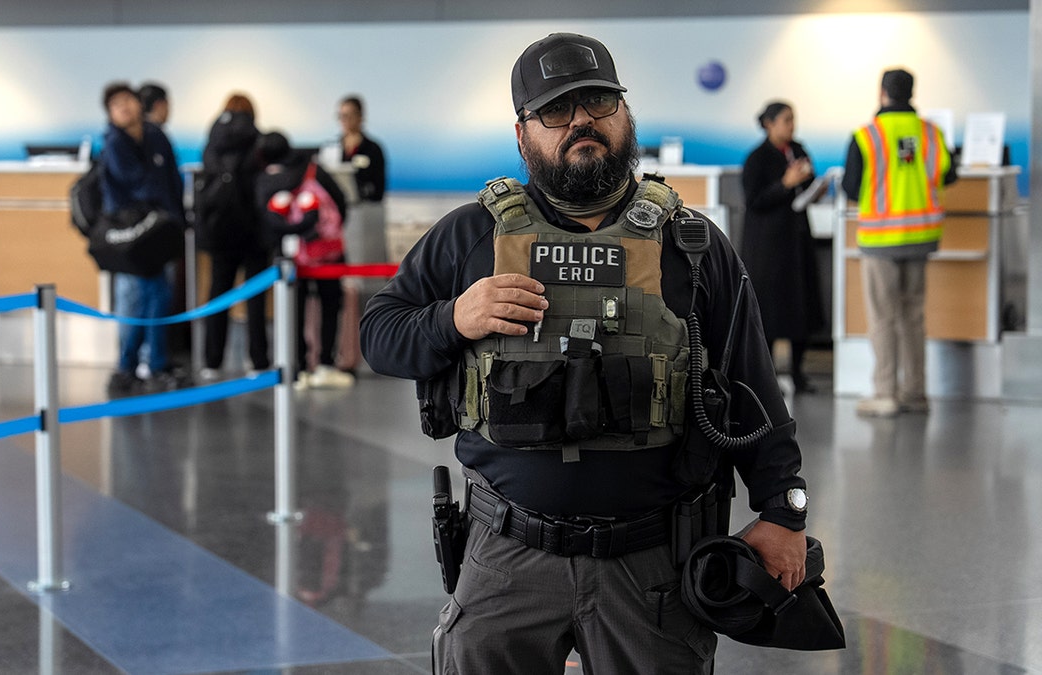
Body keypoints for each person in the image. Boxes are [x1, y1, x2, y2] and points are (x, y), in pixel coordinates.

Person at [360, 33, 809, 673]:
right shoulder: (471, 236)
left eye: (598, 101)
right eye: (555, 111)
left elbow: (751, 384)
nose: (580, 122)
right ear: (523, 136)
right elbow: (379, 334)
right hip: (505, 556)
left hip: (652, 561)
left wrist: (782, 508)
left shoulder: (692, 244)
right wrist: (451, 319)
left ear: (625, 115)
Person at [842, 68, 957, 418]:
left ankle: (885, 393)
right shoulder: (930, 132)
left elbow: (850, 187)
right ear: (911, 93)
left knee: (883, 318)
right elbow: (948, 174)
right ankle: (916, 393)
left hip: (881, 237)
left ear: (882, 93)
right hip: (921, 236)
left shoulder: (867, 135)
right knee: (913, 317)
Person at [99, 81, 187, 395]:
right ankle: (126, 367)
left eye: (128, 100)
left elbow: (172, 179)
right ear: (110, 113)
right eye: (116, 104)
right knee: (133, 300)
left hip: (161, 232)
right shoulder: (114, 144)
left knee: (160, 298)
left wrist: (175, 219)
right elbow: (136, 184)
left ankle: (157, 364)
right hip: (131, 237)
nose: (124, 107)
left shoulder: (156, 136)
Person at [255, 131, 354, 389]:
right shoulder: (313, 169)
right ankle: (325, 364)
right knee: (330, 306)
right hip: (328, 251)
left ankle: (297, 366)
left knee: (293, 310)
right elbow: (340, 201)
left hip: (292, 256)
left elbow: (267, 220)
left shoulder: (267, 179)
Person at [739, 101, 825, 394]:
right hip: (768, 247)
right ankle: (769, 375)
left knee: (802, 306)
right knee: (771, 310)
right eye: (786, 120)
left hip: (798, 241)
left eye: (793, 119)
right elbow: (754, 200)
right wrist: (785, 184)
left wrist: (815, 186)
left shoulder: (798, 149)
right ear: (769, 124)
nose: (792, 126)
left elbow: (807, 182)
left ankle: (799, 373)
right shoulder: (757, 158)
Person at [196, 93, 271, 380]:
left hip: (220, 230)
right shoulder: (259, 142)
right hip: (254, 231)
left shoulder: (213, 143)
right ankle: (259, 361)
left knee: (218, 295)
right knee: (255, 299)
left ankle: (211, 362)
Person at [333, 94, 388, 376]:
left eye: (349, 115)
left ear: (360, 116)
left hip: (367, 222)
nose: (345, 121)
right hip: (342, 222)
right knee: (346, 290)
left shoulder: (373, 149)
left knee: (370, 287)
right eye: (341, 116)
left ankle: (374, 345)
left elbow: (377, 188)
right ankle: (345, 347)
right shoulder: (332, 148)